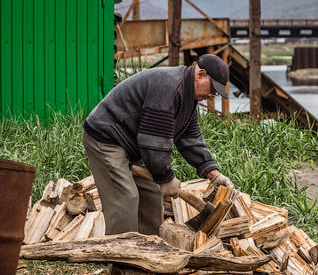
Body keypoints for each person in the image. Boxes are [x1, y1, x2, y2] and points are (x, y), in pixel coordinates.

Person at [81, 54, 235, 235]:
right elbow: (153, 141)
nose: (211, 97)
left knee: (152, 195)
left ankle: (148, 252)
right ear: (200, 75)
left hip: (131, 145)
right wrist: (166, 177)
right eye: (212, 90)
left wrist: (214, 174)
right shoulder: (168, 86)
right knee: (125, 197)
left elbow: (191, 139)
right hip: (106, 138)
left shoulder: (188, 97)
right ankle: (121, 260)